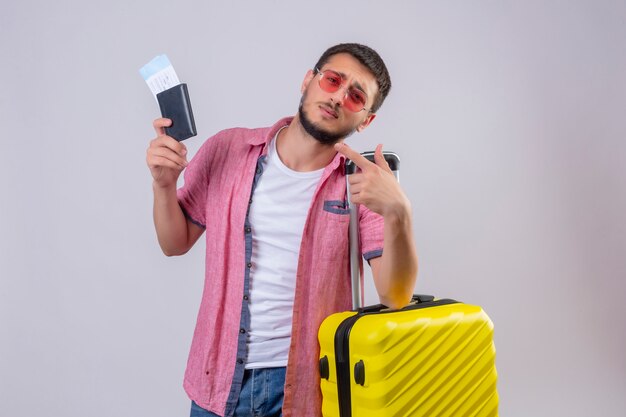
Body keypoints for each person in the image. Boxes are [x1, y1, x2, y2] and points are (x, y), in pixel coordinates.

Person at [146, 43, 418, 417]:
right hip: (218, 381)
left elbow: (396, 294)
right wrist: (163, 186)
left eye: (356, 97)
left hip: (311, 391)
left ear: (366, 120)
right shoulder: (228, 149)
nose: (338, 97)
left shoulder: (362, 183)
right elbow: (174, 243)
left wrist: (399, 213)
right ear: (309, 80)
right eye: (332, 80)